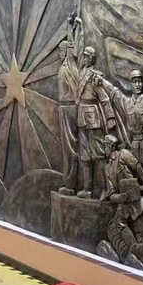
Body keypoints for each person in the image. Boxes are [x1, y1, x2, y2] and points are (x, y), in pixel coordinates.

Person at [99, 69, 143, 192]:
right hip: (135, 147)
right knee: (138, 180)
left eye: (139, 81)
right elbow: (114, 93)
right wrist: (102, 81)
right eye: (135, 82)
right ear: (130, 84)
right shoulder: (127, 103)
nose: (138, 84)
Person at [100, 134, 143, 262]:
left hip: (136, 200)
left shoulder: (123, 154)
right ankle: (134, 249)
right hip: (124, 204)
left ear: (110, 147)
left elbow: (138, 167)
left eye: (105, 146)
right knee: (118, 225)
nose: (104, 149)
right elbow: (111, 194)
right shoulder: (107, 168)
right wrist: (120, 197)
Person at [74, 46, 117, 198]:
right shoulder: (81, 73)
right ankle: (87, 189)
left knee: (99, 155)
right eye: (84, 56)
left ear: (92, 59)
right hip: (82, 118)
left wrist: (110, 118)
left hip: (93, 118)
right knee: (85, 155)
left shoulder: (94, 76)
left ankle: (107, 188)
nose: (85, 58)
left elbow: (104, 98)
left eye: (87, 56)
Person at [57, 14, 81, 196]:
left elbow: (72, 45)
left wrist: (71, 28)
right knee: (68, 148)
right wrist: (69, 26)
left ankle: (71, 185)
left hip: (69, 108)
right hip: (66, 108)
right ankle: (70, 183)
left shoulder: (70, 65)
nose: (59, 53)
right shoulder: (67, 65)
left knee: (70, 147)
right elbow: (71, 45)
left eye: (61, 50)